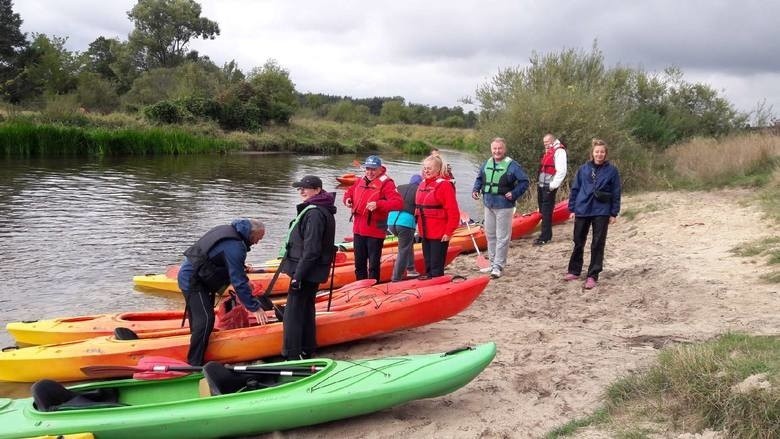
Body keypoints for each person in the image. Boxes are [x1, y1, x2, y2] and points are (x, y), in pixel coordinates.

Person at [177, 218, 270, 366]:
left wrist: (245, 279)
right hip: (193, 280)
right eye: (258, 238)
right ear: (251, 234)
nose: (257, 243)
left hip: (196, 276)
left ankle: (198, 342)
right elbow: (238, 282)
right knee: (206, 319)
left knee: (201, 318)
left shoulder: (230, 231)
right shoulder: (236, 246)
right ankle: (194, 363)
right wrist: (254, 307)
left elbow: (224, 260)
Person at [280, 175, 336, 360]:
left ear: (318, 190)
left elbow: (312, 249)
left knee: (293, 313)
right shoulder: (320, 210)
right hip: (312, 270)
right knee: (305, 309)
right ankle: (307, 348)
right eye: (300, 188)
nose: (302, 191)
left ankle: (291, 355)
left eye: (306, 188)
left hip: (306, 271)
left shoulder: (314, 213)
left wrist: (298, 275)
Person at [565, 138, 622, 289]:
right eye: (597, 151)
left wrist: (614, 213)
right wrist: (572, 209)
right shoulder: (583, 169)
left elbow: (616, 192)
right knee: (578, 241)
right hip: (582, 208)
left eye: (602, 152)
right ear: (592, 153)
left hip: (602, 210)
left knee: (597, 243)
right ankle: (574, 270)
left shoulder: (612, 171)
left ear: (606, 153)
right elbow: (575, 189)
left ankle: (593, 275)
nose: (599, 154)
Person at [471, 137, 529, 279]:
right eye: (494, 148)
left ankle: (498, 266)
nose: (497, 151)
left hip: (504, 205)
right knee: (490, 235)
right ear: (491, 149)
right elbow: (480, 178)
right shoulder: (487, 163)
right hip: (488, 204)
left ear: (504, 149)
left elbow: (524, 181)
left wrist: (514, 193)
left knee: (502, 237)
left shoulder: (512, 165)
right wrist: (476, 189)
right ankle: (492, 263)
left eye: (499, 148)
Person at [343, 155, 403, 281]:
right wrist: (347, 200)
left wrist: (379, 204)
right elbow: (349, 192)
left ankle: (373, 287)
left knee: (373, 265)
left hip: (375, 231)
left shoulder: (387, 183)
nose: (370, 172)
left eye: (373, 169)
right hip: (358, 230)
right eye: (368, 169)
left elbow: (398, 203)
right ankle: (360, 286)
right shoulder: (360, 180)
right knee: (359, 263)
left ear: (380, 169)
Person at [416, 155, 460, 277]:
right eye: (424, 168)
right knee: (428, 262)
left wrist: (448, 232)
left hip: (439, 234)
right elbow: (418, 210)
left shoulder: (444, 185)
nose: (426, 171)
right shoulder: (422, 184)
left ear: (438, 170)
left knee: (436, 264)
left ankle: (436, 280)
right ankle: (430, 280)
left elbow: (453, 212)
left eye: (429, 168)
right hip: (425, 232)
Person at [534, 133, 568, 246]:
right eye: (544, 143)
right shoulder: (549, 151)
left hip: (549, 187)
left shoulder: (559, 151)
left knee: (547, 211)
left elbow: (562, 171)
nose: (545, 145)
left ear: (552, 141)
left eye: (547, 142)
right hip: (542, 185)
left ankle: (545, 237)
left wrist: (552, 185)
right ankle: (544, 234)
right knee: (542, 211)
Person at [388, 174, 422, 281]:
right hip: (405, 223)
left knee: (408, 243)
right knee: (403, 250)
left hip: (391, 222)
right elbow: (420, 210)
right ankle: (396, 278)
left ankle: (411, 269)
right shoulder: (419, 190)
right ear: (420, 183)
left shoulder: (399, 187)